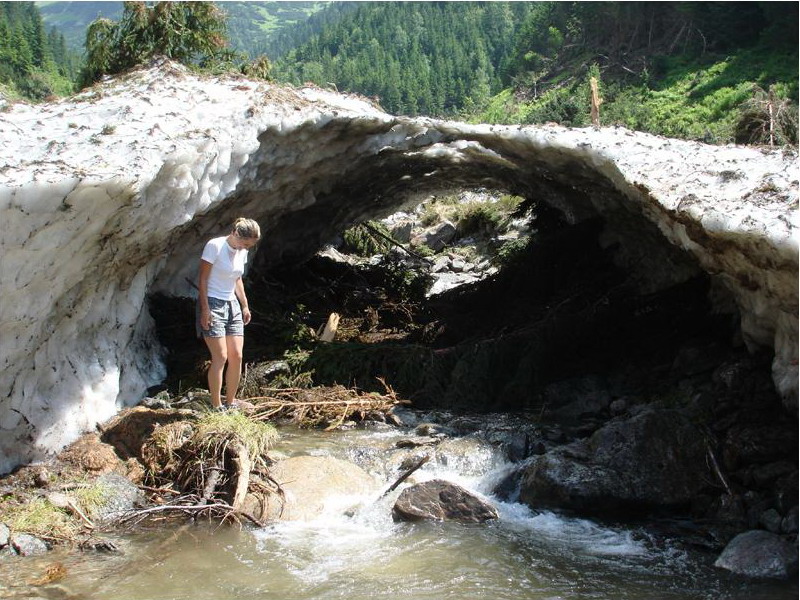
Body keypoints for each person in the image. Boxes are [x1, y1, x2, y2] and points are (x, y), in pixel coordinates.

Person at [197, 217, 261, 410]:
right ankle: (216, 406)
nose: (245, 248)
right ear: (234, 233)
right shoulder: (214, 246)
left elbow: (237, 279)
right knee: (221, 356)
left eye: (249, 246)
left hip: (232, 303)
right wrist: (205, 309)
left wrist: (245, 304)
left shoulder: (242, 253)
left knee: (237, 356)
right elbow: (203, 279)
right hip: (213, 302)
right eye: (244, 243)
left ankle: (231, 402)